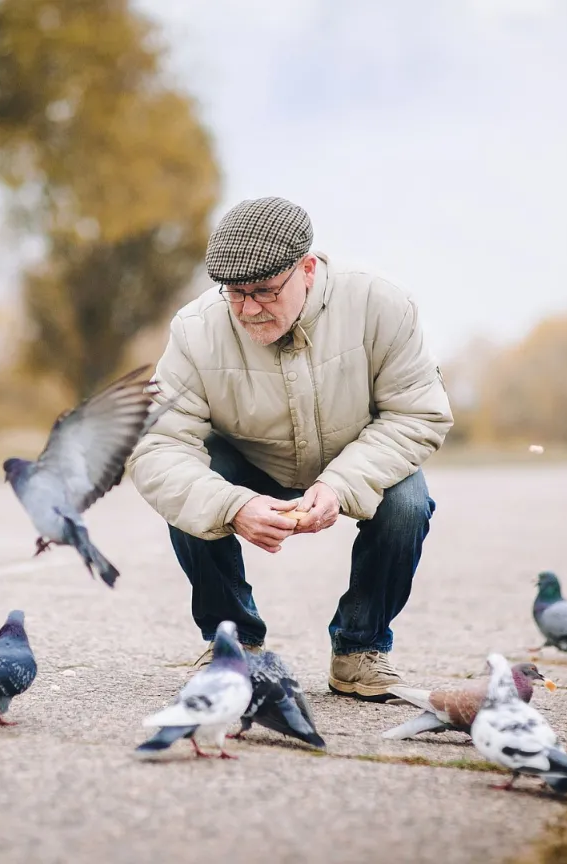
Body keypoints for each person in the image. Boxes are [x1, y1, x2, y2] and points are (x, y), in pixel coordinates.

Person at [126, 196, 454, 702]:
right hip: (247, 460)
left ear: (306, 268)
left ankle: (360, 649)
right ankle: (232, 644)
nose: (250, 309)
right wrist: (231, 504)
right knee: (190, 488)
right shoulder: (195, 330)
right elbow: (157, 447)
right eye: (235, 294)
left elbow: (418, 414)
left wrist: (340, 484)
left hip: (356, 456)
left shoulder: (383, 305)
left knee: (408, 503)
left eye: (264, 291)